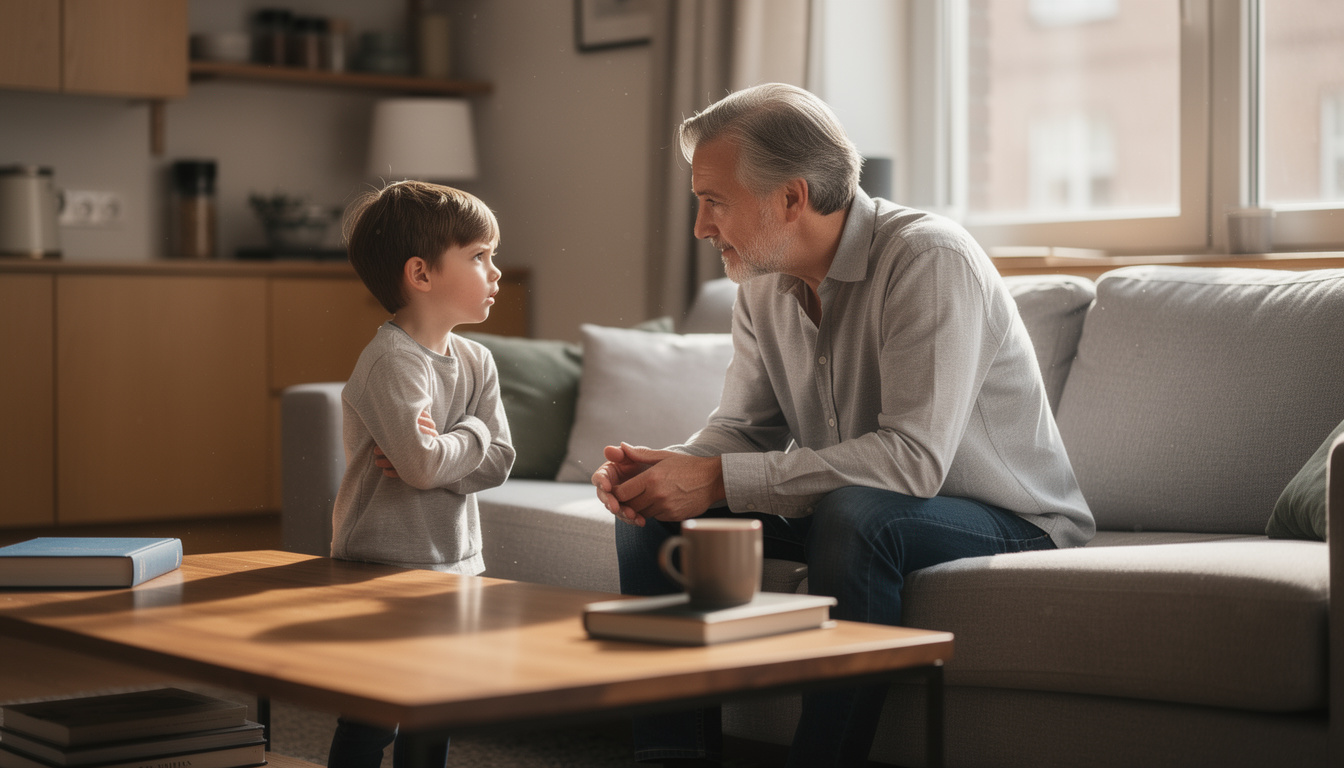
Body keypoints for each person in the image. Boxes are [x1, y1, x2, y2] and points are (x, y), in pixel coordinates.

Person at [591, 83, 1095, 767]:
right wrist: (674, 470)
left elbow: (913, 461)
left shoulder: (928, 257)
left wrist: (716, 478)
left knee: (859, 516)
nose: (701, 228)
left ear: (791, 198)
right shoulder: (762, 279)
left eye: (714, 202)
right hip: (859, 502)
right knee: (654, 511)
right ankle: (671, 755)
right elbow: (744, 427)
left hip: (1010, 518)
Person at [327, 180, 515, 768]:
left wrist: (456, 444)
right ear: (422, 274)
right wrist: (472, 437)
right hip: (381, 563)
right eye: (480, 257)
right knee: (372, 713)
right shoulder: (390, 361)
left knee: (437, 709)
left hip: (457, 559)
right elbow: (422, 462)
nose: (496, 272)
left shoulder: (477, 359)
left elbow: (501, 459)